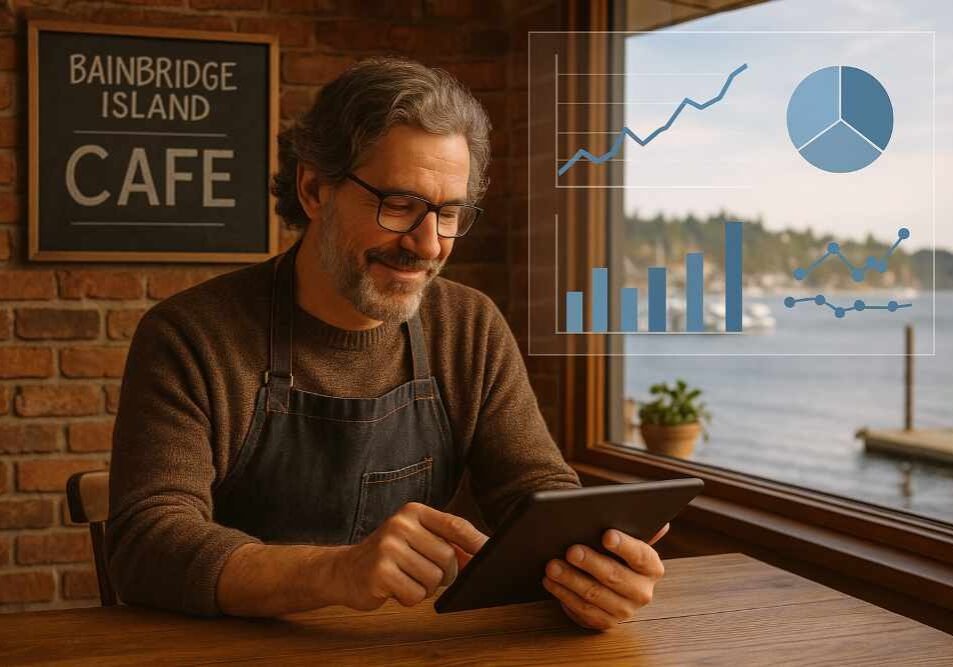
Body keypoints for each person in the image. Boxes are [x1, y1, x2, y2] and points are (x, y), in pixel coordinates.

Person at [106, 57, 668, 631]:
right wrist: (336, 573)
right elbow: (147, 545)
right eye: (398, 204)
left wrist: (591, 569)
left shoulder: (469, 326)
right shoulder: (191, 336)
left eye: (449, 213)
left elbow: (534, 490)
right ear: (314, 188)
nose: (427, 245)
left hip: (408, 645)